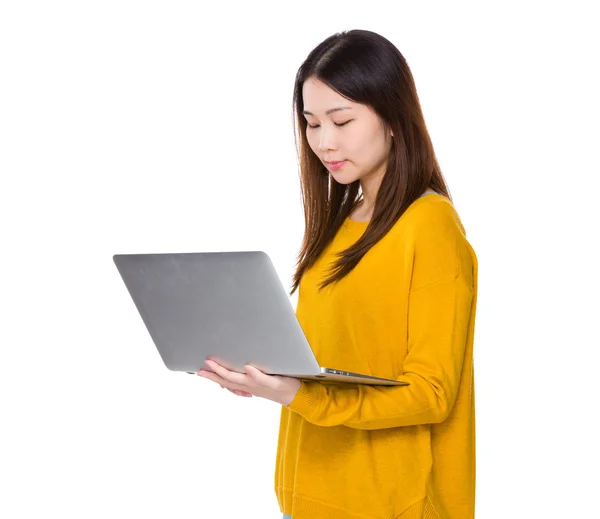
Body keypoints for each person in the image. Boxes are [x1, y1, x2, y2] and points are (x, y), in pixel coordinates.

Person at [197, 29, 478, 519]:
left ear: (393, 116)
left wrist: (301, 396)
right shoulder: (337, 227)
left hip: (391, 505)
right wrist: (265, 377)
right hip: (307, 499)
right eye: (310, 124)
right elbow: (331, 361)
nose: (324, 142)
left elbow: (432, 395)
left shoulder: (430, 227)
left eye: (342, 121)